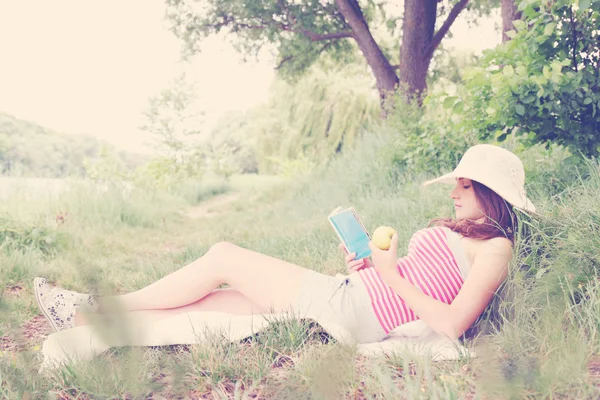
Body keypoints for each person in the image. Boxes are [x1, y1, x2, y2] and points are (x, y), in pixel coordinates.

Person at [33, 144, 536, 343]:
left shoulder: (496, 250)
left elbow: (450, 324)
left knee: (224, 256)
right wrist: (369, 266)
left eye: (464, 186)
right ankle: (94, 323)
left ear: (491, 195)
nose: (453, 191)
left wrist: (383, 274)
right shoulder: (461, 234)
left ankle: (93, 307)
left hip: (353, 310)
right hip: (352, 294)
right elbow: (409, 285)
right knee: (207, 304)